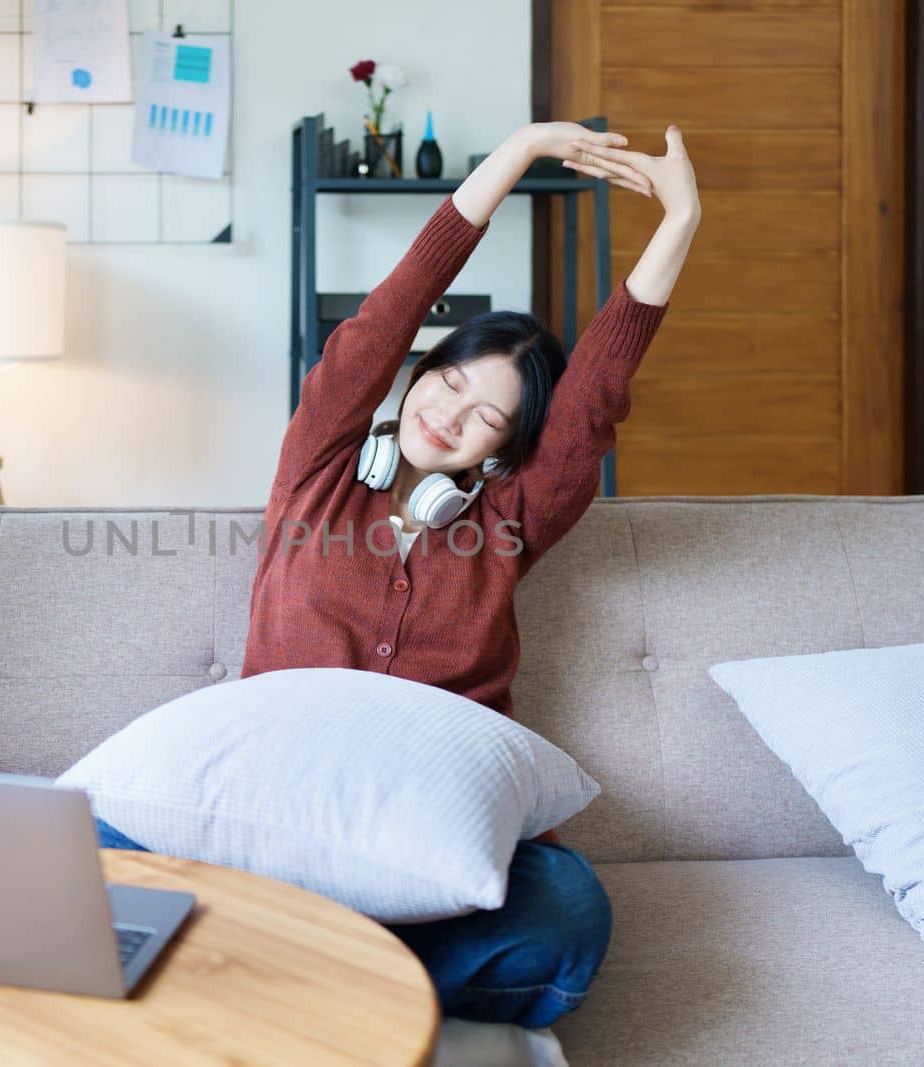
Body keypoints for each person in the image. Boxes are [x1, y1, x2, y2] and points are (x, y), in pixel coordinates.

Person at [97, 121, 699, 1036]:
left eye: (489, 417)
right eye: (451, 383)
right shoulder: (320, 467)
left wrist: (682, 218)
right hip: (276, 810)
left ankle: (288, 974)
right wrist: (526, 146)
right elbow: (395, 305)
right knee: (93, 847)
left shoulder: (509, 525)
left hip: (427, 836)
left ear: (507, 450)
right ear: (422, 367)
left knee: (569, 912)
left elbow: (593, 401)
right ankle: (342, 978)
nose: (454, 417)